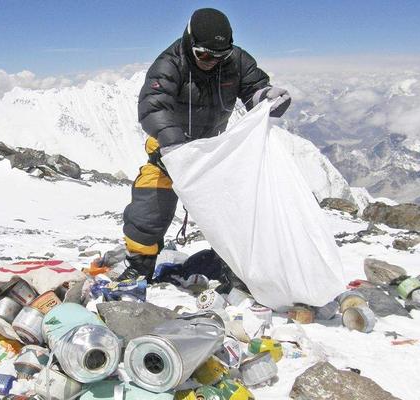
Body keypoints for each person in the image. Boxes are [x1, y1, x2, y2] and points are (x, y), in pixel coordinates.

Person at [118, 8, 291, 280]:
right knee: (149, 209)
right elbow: (153, 107)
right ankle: (139, 267)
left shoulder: (236, 61)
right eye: (204, 55)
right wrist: (174, 145)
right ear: (189, 42)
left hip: (212, 153)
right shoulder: (169, 64)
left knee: (236, 210)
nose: (211, 61)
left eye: (219, 55)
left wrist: (267, 98)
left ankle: (235, 268)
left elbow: (253, 89)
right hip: (168, 152)